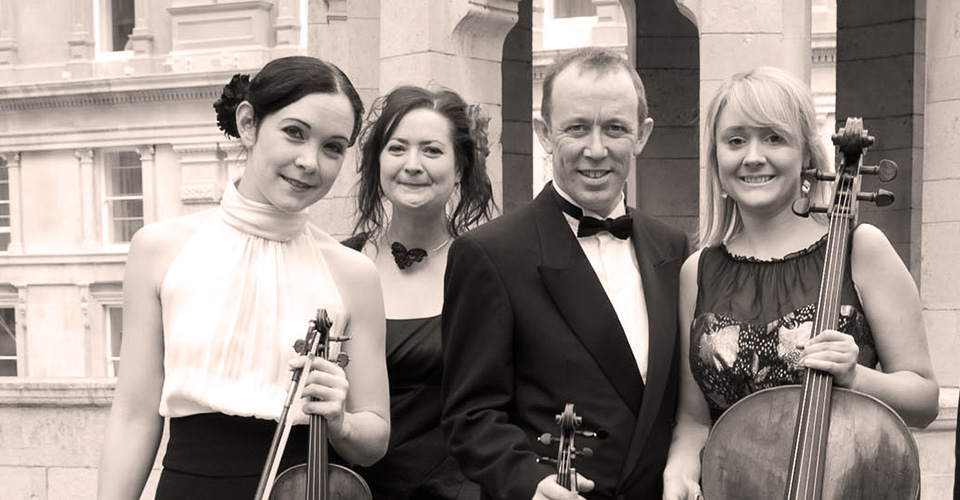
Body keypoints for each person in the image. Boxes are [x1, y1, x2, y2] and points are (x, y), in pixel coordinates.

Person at [97, 56, 390, 499]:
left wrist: (341, 421)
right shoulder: (158, 248)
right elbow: (135, 416)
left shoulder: (354, 274)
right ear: (249, 123)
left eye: (333, 147)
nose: (310, 162)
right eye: (294, 132)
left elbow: (374, 439)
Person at [661, 67, 939, 500]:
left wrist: (857, 377)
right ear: (716, 160)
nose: (753, 156)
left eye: (774, 138)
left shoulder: (859, 249)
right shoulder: (698, 270)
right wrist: (678, 474)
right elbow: (694, 420)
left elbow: (924, 399)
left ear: (807, 156)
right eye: (735, 140)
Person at [441, 46, 690, 500]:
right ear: (544, 133)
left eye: (615, 128)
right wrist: (530, 483)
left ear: (643, 135)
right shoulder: (487, 253)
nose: (596, 150)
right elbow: (471, 416)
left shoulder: (672, 247)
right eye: (576, 128)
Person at [343, 85, 494, 499]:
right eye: (397, 149)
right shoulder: (340, 264)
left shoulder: (489, 268)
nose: (412, 165)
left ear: (461, 167)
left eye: (431, 150)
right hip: (351, 486)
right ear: (377, 162)